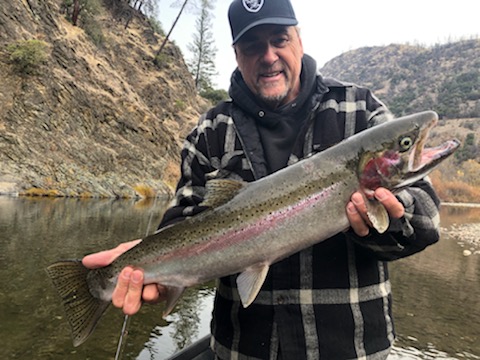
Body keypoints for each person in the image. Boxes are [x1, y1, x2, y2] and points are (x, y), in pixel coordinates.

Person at [83, 0, 442, 358]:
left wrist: (392, 214)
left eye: (279, 39)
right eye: (253, 45)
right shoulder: (210, 131)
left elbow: (426, 219)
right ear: (237, 54)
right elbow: (184, 220)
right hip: (242, 349)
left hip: (351, 348)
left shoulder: (359, 110)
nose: (268, 55)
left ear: (299, 40)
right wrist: (155, 266)